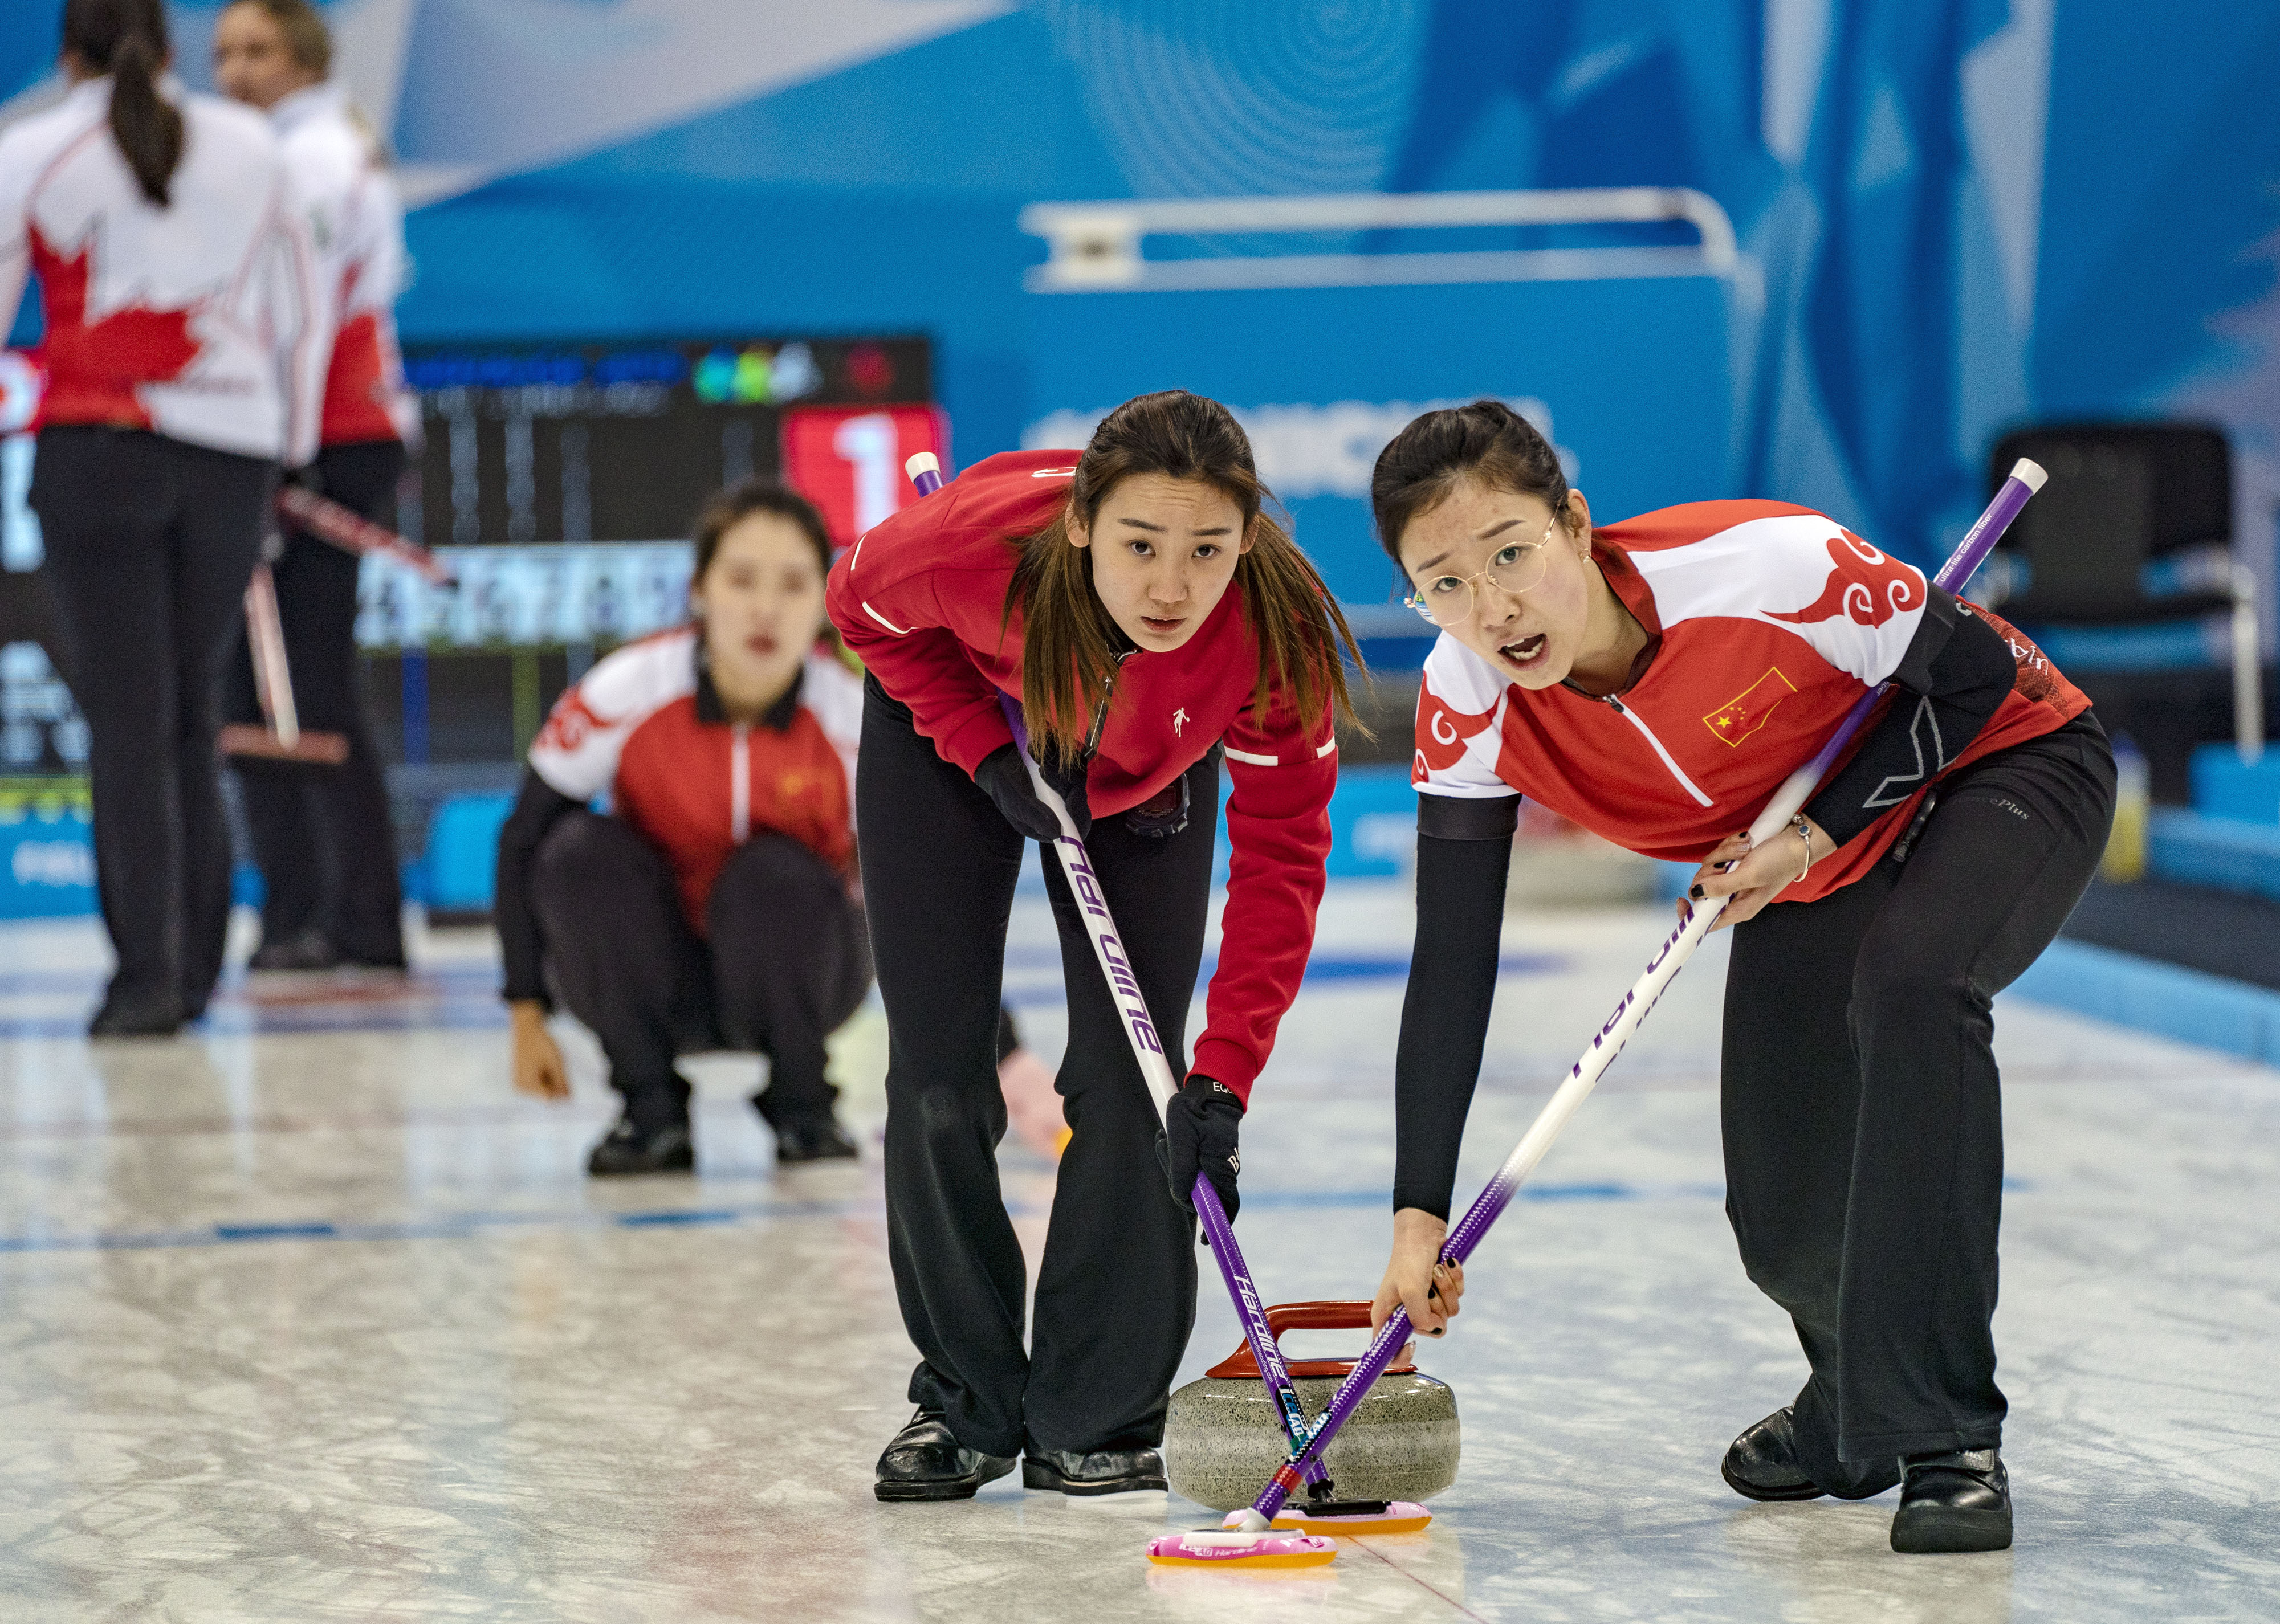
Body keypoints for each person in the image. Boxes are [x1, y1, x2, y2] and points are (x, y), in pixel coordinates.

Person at [1367, 402, 2112, 1555]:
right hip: (1807, 851)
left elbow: (1966, 680)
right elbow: (1452, 957)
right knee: (1779, 1221)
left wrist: (1809, 838)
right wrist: (1417, 1215)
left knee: (1911, 988)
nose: (1492, 606)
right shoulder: (1467, 698)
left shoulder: (1760, 567)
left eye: (1510, 553)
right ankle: (1851, 1399)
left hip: (2001, 764)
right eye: (1444, 583)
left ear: (1572, 525)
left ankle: (1943, 1439)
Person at [828, 391, 1363, 1502]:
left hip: (1145, 770)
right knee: (935, 1074)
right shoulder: (971, 555)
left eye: (1206, 549)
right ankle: (965, 1404)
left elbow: (1280, 865)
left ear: (1247, 539)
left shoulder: (1274, 638)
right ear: (1081, 524)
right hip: (963, 726)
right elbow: (858, 608)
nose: (1171, 585)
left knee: (1140, 1084)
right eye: (1139, 546)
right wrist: (980, 752)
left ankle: (1096, 1411)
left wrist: (1224, 1080)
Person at [0, 0, 321, 1037]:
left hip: (98, 456)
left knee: (131, 730)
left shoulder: (34, 148)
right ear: (172, 44)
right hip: (234, 455)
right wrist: (289, 443)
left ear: (66, 48)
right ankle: (191, 976)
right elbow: (305, 310)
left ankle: (147, 981)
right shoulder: (251, 145)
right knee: (190, 720)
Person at [494, 483, 870, 1172]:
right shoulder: (627, 688)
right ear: (699, 589)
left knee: (774, 877)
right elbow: (522, 840)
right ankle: (650, 1113)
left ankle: (805, 1108)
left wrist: (992, 1050)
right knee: (576, 851)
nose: (765, 608)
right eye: (741, 579)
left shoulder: (854, 719)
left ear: (824, 601)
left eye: (793, 584)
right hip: (653, 977)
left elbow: (928, 890)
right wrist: (525, 1013)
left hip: (804, 980)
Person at [213, 0, 417, 973]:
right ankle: (308, 911)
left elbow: (303, 318)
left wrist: (278, 457)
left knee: (301, 682)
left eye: (256, 51)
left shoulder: (314, 160)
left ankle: (346, 916)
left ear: (302, 57)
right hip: (312, 436)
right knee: (264, 680)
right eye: (222, 54)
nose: (234, 71)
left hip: (325, 440)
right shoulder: (301, 152)